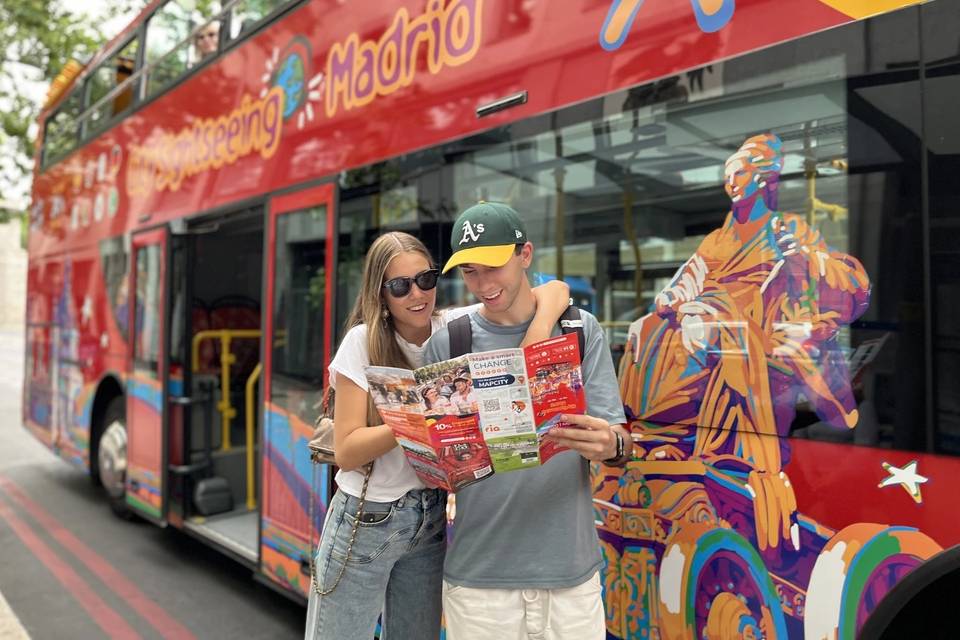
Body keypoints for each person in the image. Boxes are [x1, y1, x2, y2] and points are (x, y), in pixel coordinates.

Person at [305, 231, 571, 640]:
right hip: (367, 516)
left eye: (425, 279)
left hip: (429, 517)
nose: (417, 294)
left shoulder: (449, 328)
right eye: (400, 286)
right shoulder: (361, 342)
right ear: (381, 293)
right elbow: (347, 450)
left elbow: (555, 290)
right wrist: (414, 418)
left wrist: (534, 340)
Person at [618, 133, 870, 551]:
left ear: (762, 179)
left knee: (704, 327)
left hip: (761, 327)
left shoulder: (787, 228)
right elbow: (691, 277)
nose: (730, 183)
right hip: (713, 316)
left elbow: (847, 284)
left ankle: (715, 441)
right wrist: (672, 297)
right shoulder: (717, 239)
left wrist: (804, 259)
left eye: (738, 174)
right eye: (727, 176)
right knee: (643, 328)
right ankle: (651, 431)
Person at [423, 202, 633, 640]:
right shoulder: (449, 342)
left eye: (494, 266)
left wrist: (610, 445)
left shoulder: (580, 329)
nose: (483, 284)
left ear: (525, 254)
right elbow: (437, 462)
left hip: (569, 574)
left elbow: (619, 439)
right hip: (480, 579)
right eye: (470, 272)